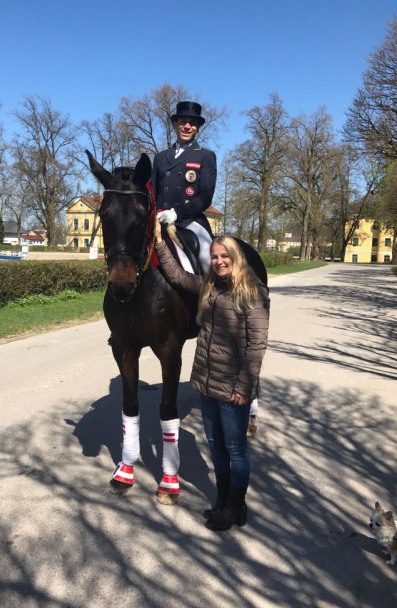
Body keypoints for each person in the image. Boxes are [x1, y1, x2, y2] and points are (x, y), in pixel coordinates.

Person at [154, 217, 270, 531]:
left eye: (224, 257)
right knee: (216, 445)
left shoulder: (253, 293)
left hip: (234, 387)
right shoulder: (209, 286)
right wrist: (161, 243)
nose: (219, 261)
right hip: (206, 382)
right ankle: (223, 500)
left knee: (235, 449)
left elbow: (257, 345)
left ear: (236, 259)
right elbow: (178, 277)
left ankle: (235, 505)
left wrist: (245, 387)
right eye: (215, 256)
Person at [151, 101, 217, 272]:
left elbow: (205, 196)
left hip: (190, 221)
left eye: (192, 123)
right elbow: (153, 192)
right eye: (183, 122)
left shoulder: (205, 156)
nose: (187, 126)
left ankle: (214, 297)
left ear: (197, 128)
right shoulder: (160, 157)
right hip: (159, 221)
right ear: (175, 124)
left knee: (209, 260)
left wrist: (176, 214)